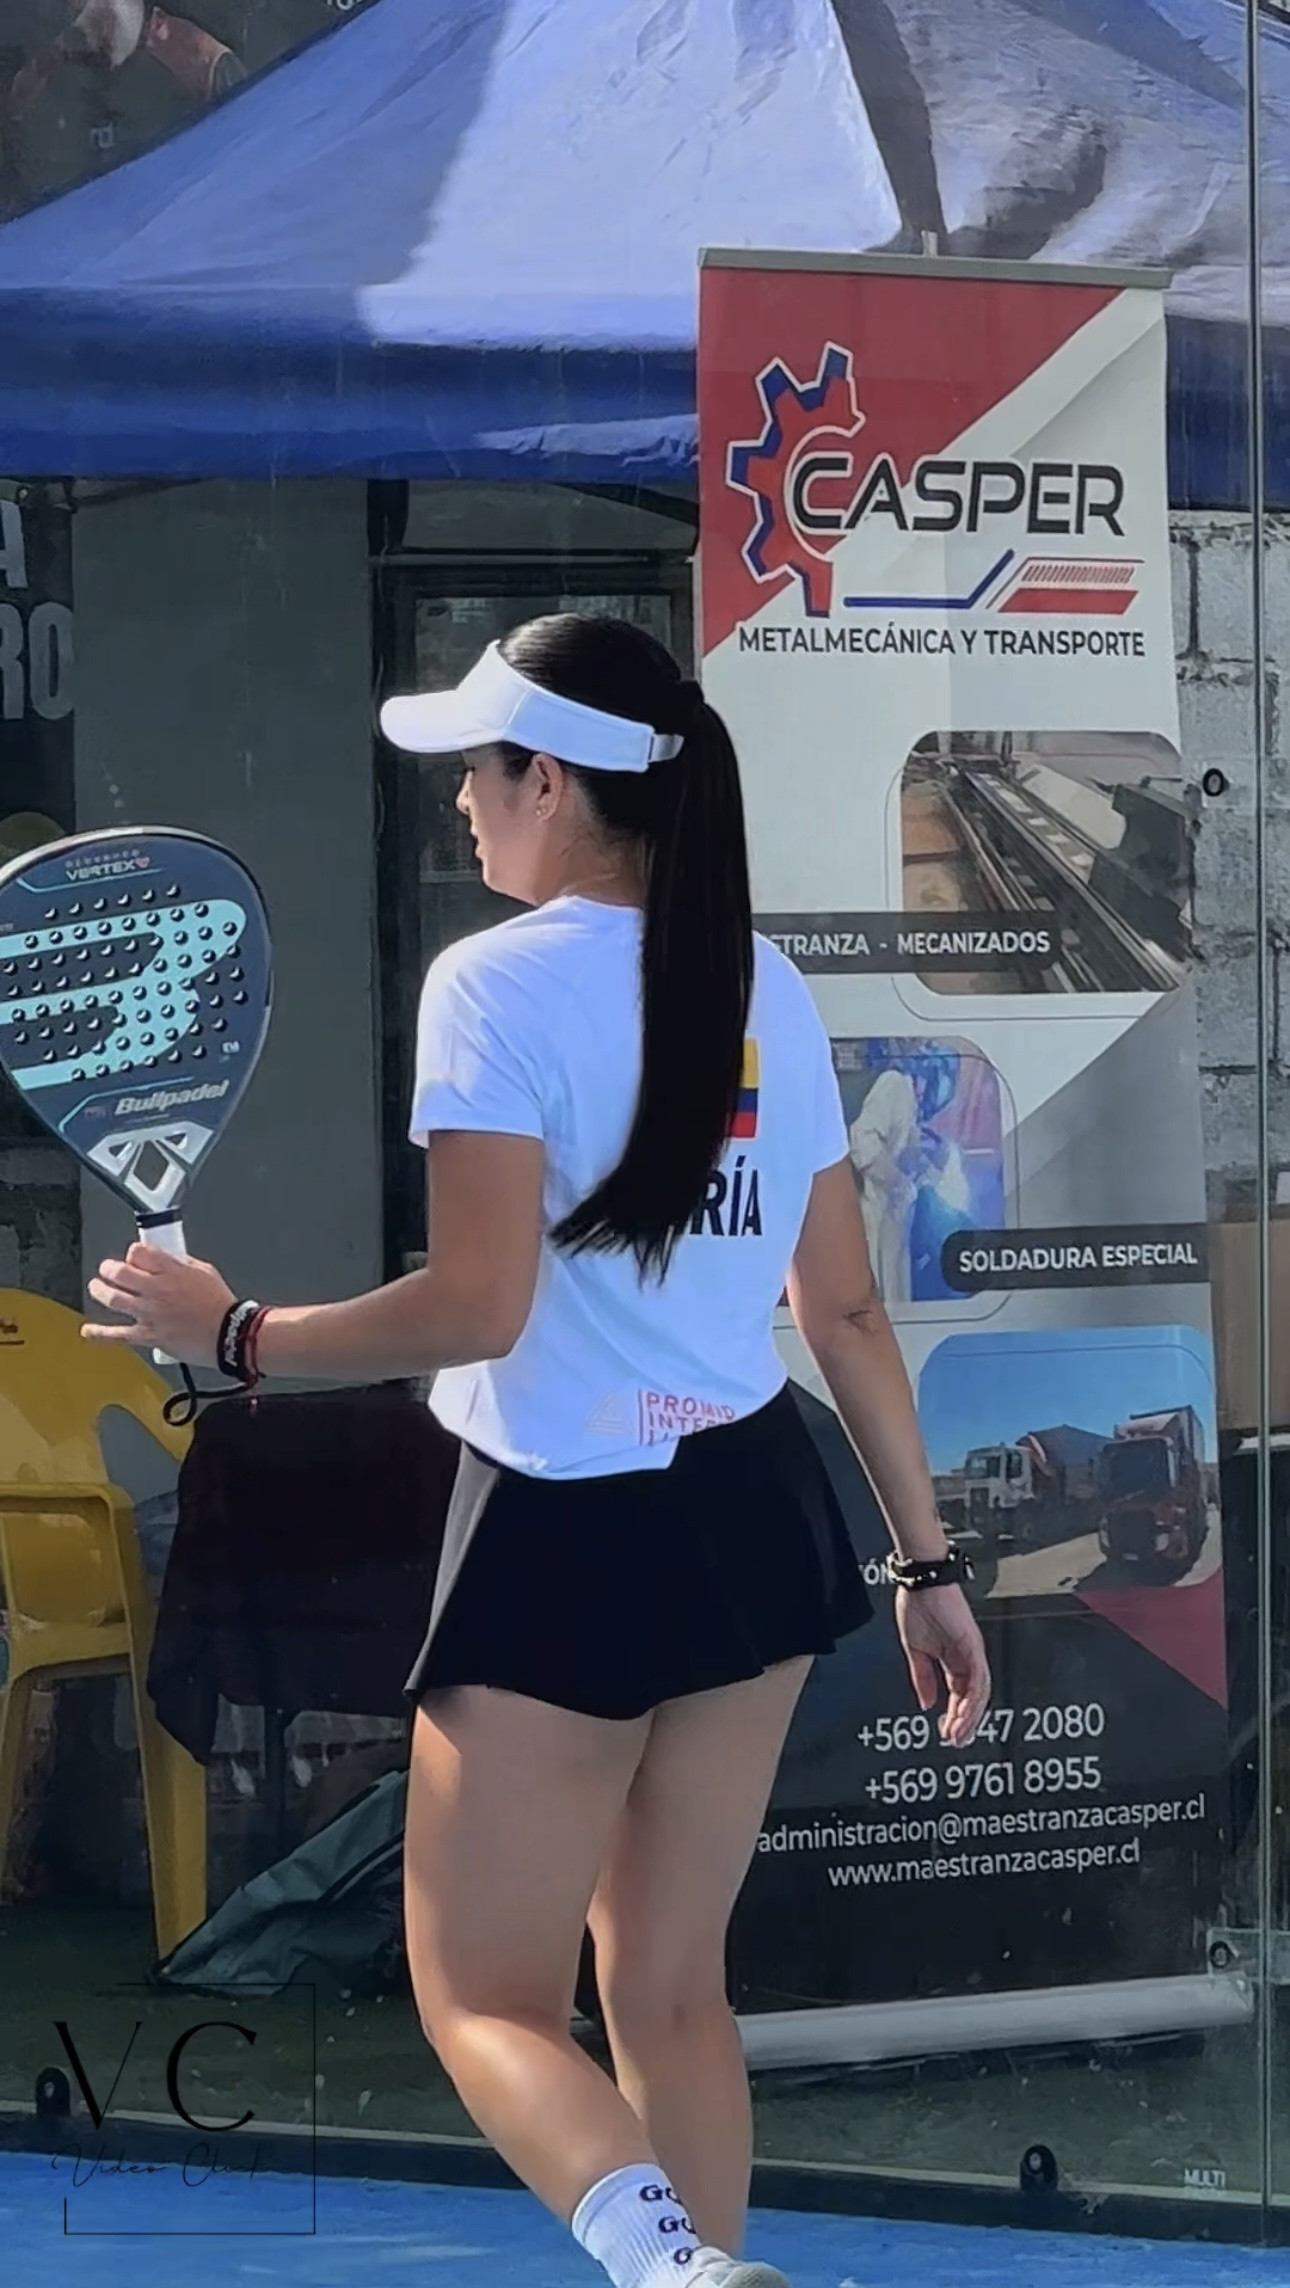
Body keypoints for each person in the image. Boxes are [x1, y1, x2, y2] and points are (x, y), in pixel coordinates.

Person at [84, 615, 991, 2288]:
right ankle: (700, 2271)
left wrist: (235, 1333)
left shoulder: (489, 985)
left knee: (482, 1999)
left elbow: (475, 1306)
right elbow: (847, 1313)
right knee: (669, 1990)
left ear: (553, 783)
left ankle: (671, 2263)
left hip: (563, 1535)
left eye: (479, 772)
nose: (461, 804)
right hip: (754, 1517)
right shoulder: (766, 984)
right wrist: (927, 1566)